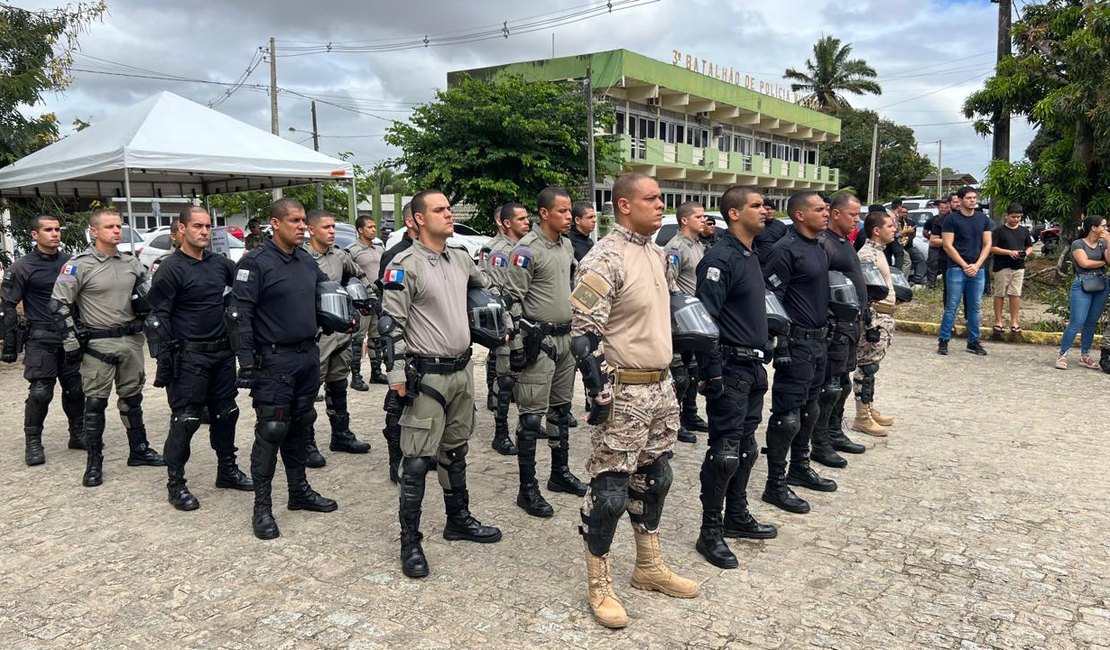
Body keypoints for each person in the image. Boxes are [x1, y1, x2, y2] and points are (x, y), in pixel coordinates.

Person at [571, 172, 699, 629]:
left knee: (656, 478)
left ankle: (648, 566)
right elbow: (584, 334)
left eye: (661, 198)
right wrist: (599, 391)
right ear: (624, 205)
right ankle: (599, 583)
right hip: (624, 391)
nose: (661, 204)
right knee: (609, 491)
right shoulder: (605, 258)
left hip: (661, 386)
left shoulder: (659, 255)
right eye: (652, 198)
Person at [380, 189, 503, 579]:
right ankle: (410, 541)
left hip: (462, 372)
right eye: (439, 210)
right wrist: (396, 376)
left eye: (449, 209)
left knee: (455, 451)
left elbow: (485, 293)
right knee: (416, 462)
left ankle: (458, 519)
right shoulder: (404, 265)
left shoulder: (462, 259)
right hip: (426, 376)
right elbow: (390, 326)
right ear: (417, 219)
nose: (448, 214)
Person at [233, 198, 342, 540]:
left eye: (303, 221)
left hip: (306, 355)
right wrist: (247, 362)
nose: (301, 226)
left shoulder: (305, 261)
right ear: (275, 224)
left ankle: (299, 492)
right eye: (294, 220)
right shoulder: (255, 263)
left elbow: (324, 294)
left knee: (301, 425)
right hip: (273, 361)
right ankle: (262, 507)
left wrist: (345, 314)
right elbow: (239, 316)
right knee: (272, 429)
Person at [692, 186, 778, 570]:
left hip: (752, 368)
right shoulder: (720, 259)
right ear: (733, 214)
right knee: (724, 453)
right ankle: (710, 532)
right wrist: (710, 373)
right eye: (756, 205)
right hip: (728, 368)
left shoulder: (749, 254)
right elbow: (704, 321)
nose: (765, 210)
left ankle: (736, 515)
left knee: (746, 448)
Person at [147, 206, 252, 511]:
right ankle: (175, 482)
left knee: (226, 412)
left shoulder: (220, 264)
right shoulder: (171, 268)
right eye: (197, 226)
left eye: (207, 226)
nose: (204, 231)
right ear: (181, 230)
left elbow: (244, 289)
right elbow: (158, 318)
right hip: (188, 356)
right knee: (186, 419)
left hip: (221, 352)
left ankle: (227, 469)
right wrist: (165, 362)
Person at [51, 209, 164, 487]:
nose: (117, 231)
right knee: (95, 404)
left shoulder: (132, 264)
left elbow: (152, 298)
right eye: (110, 226)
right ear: (94, 231)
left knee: (132, 398)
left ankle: (138, 450)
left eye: (119, 226)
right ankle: (94, 462)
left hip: (131, 341)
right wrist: (70, 342)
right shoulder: (78, 265)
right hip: (97, 345)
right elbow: (57, 305)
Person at [503, 187, 587, 518]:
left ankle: (559, 473)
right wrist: (519, 345)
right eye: (563, 212)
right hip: (539, 342)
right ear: (544, 214)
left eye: (570, 212)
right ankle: (527, 488)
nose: (569, 217)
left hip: (565, 340)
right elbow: (511, 298)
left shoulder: (567, 245)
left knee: (560, 410)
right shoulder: (526, 250)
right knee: (530, 417)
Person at [761, 191, 836, 515]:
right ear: (800, 215)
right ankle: (775, 484)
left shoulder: (818, 247)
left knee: (811, 409)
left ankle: (800, 466)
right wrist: (783, 345)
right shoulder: (784, 250)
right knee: (787, 417)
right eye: (820, 209)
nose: (826, 213)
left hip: (819, 341)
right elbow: (771, 299)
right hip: (797, 344)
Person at [2, 215, 85, 465]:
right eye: (48, 230)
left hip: (70, 336)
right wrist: (9, 346)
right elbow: (7, 306)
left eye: (57, 229)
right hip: (40, 338)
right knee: (40, 392)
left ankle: (78, 433)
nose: (55, 234)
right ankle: (33, 442)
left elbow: (82, 298)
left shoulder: (71, 263)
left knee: (76, 389)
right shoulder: (22, 267)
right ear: (34, 235)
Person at [304, 209, 373, 463]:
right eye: (326, 227)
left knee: (338, 384)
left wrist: (368, 299)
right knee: (310, 390)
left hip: (340, 332)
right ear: (311, 230)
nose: (332, 231)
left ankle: (341, 434)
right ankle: (306, 443)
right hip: (316, 334)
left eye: (333, 227)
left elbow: (358, 276)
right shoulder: (302, 258)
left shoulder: (340, 256)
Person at [812, 194, 868, 467]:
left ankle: (834, 431)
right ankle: (819, 441)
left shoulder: (845, 241)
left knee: (842, 384)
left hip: (851, 325)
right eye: (852, 214)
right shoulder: (824, 243)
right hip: (835, 327)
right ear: (835, 214)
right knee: (829, 387)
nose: (857, 220)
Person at [482, 203, 531, 456]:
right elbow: (496, 291)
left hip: (529, 323)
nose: (527, 222)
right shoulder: (498, 251)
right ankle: (500, 434)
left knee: (527, 377)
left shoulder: (528, 248)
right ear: (506, 223)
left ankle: (527, 425)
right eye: (521, 219)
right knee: (506, 378)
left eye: (527, 218)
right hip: (509, 323)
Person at [663, 201, 710, 444]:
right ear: (685, 220)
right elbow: (669, 286)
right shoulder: (675, 248)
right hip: (679, 321)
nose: (704, 220)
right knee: (679, 375)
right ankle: (675, 420)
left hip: (696, 320)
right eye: (699, 216)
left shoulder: (698, 245)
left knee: (693, 372)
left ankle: (690, 414)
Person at [377, 201, 414, 484]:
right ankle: (395, 459)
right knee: (397, 401)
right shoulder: (395, 255)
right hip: (404, 339)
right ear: (413, 221)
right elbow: (388, 304)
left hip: (433, 341)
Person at [853, 211, 899, 437]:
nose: (895, 229)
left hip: (885, 315)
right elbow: (866, 293)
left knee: (873, 367)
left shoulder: (880, 252)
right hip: (875, 318)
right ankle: (862, 416)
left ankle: (869, 407)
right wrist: (870, 323)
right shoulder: (867, 255)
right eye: (890, 226)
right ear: (876, 230)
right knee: (866, 367)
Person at [938, 186, 992, 356]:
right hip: (956, 268)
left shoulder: (983, 219)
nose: (973, 201)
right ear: (960, 200)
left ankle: (973, 341)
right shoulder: (951, 219)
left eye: (974, 198)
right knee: (952, 305)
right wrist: (964, 265)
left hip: (978, 269)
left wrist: (977, 265)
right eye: (969, 198)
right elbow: (947, 245)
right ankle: (944, 340)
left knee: (975, 307)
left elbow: (987, 244)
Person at [1055, 215, 1110, 370]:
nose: (1105, 229)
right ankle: (1063, 353)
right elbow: (1084, 263)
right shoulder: (1078, 243)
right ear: (1093, 228)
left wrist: (1109, 242)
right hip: (1083, 283)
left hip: (1101, 283)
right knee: (1077, 321)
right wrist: (1102, 262)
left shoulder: (1103, 244)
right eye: (1103, 226)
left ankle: (1085, 354)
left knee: (1091, 322)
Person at [346, 215, 388, 390]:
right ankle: (356, 376)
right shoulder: (351, 250)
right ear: (360, 230)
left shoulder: (379, 248)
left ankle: (376, 372)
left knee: (376, 336)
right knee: (357, 338)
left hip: (379, 297)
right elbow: (348, 274)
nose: (373, 229)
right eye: (369, 227)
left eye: (374, 226)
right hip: (362, 300)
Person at [990, 204, 1034, 333]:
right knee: (999, 294)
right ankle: (998, 321)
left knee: (1015, 294)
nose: (1015, 219)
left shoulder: (1024, 231)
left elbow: (1029, 246)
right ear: (1007, 216)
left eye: (1018, 217)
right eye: (1013, 216)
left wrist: (1026, 253)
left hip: (1019, 266)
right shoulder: (998, 231)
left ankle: (1014, 322)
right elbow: (992, 248)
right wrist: (1009, 252)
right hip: (1002, 266)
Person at [923, 198, 951, 289]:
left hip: (945, 246)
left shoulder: (950, 219)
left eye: (946, 207)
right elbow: (925, 231)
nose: (944, 209)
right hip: (935, 247)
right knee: (932, 264)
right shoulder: (932, 220)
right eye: (941, 207)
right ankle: (931, 284)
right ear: (938, 208)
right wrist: (931, 239)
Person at [754, 200, 788, 267]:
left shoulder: (781, 225)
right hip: (758, 265)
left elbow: (787, 245)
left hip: (777, 264)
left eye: (772, 209)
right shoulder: (755, 226)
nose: (769, 211)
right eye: (767, 209)